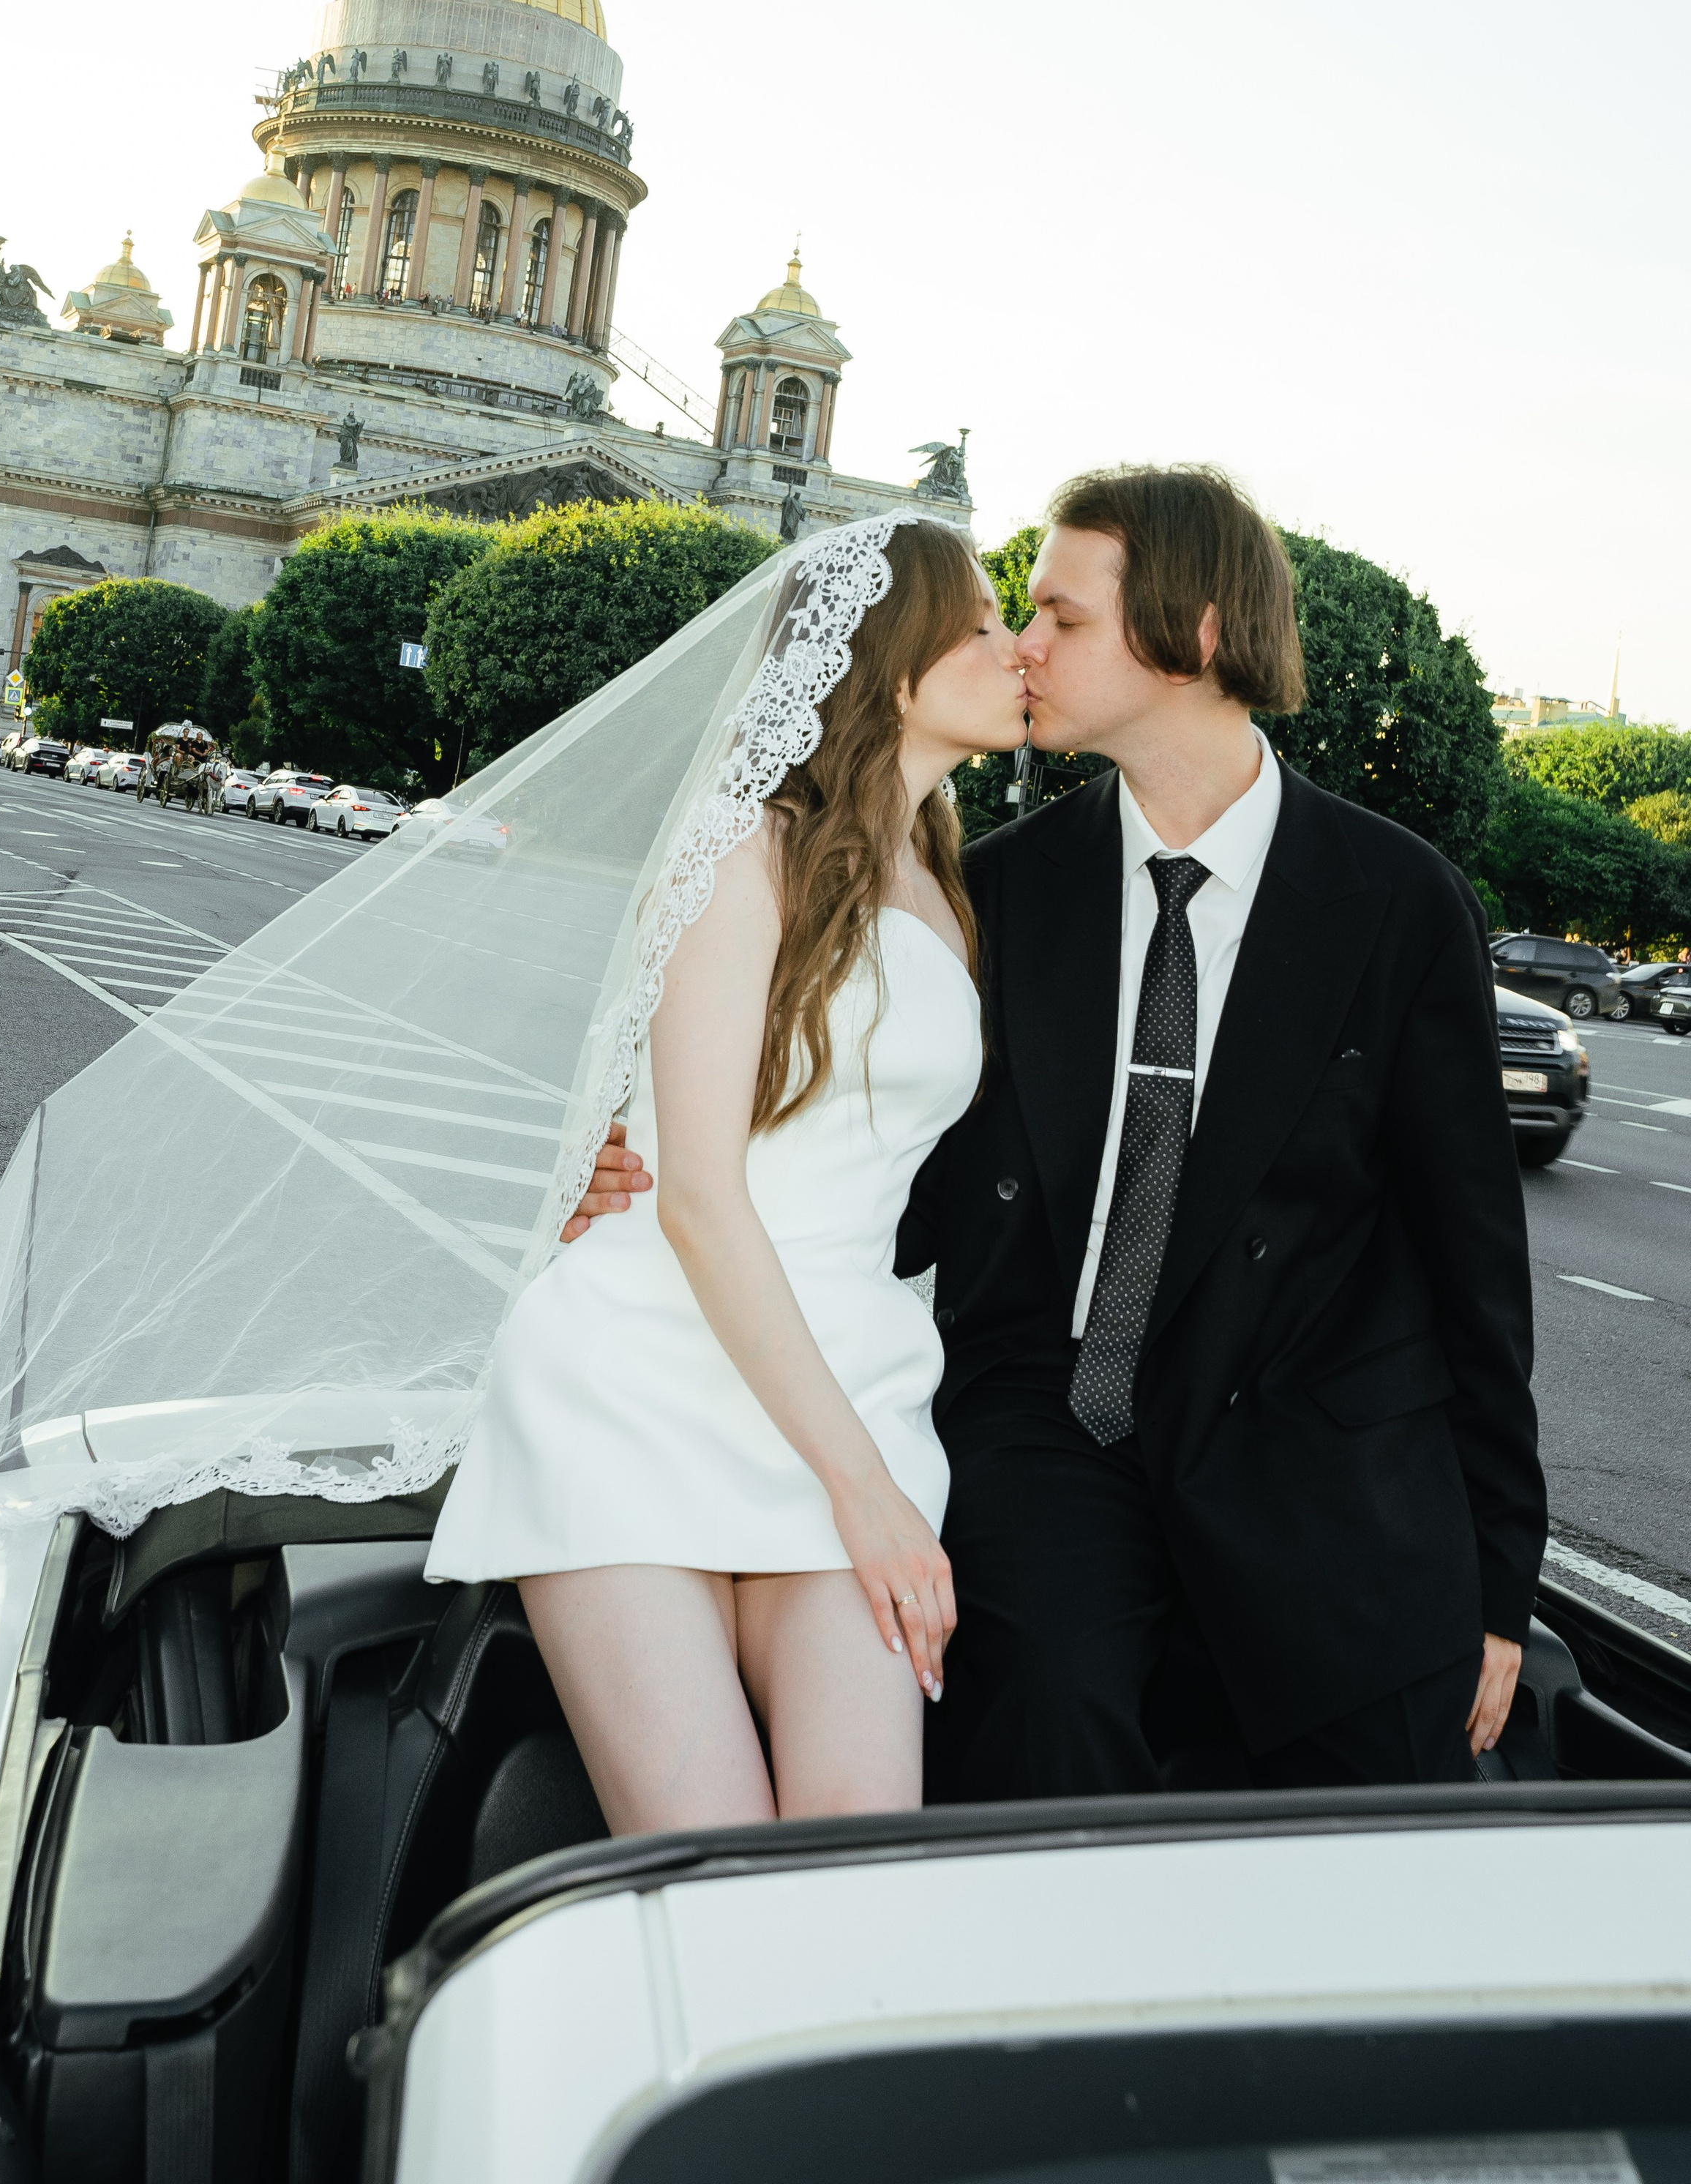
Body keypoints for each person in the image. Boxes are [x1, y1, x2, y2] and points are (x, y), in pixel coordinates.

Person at [573, 465, 1546, 1800]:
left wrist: (1502, 1570)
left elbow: (1475, 1256)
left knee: (1364, 1771)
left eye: (1061, 618)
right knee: (1043, 1708)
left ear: (1195, 639)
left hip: (1310, 1440)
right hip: (1053, 1417)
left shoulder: (1398, 899)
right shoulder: (1001, 890)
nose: (1025, 645)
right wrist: (659, 1173)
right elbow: (887, 1162)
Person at [427, 516, 1030, 1832]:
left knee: (849, 1852)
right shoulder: (744, 845)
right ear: (890, 658)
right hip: (642, 1379)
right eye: (981, 622)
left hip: (855, 1378)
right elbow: (699, 1194)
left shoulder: (942, 874)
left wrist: (867, 1474)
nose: (1016, 645)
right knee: (712, 1864)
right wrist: (864, 1493)